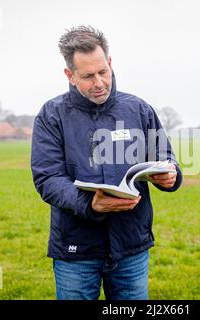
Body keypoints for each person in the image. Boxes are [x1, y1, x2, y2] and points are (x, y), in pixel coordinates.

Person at [30, 26, 182, 300]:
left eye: (103, 71)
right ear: (70, 75)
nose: (99, 82)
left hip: (131, 248)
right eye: (88, 76)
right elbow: (48, 179)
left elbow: (166, 157)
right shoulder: (51, 115)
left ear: (110, 63)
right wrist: (89, 204)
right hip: (76, 250)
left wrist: (171, 175)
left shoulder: (139, 109)